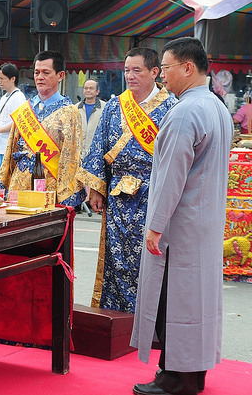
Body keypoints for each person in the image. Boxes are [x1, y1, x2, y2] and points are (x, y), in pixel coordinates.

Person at [130, 37, 233, 395]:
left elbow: (172, 176)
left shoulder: (185, 110)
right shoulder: (217, 107)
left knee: (174, 302)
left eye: (167, 69)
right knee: (197, 302)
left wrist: (156, 226)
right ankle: (192, 375)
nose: (163, 79)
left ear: (187, 68)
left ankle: (175, 378)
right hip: (204, 222)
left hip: (181, 224)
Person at [76, 48, 176, 313]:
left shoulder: (172, 107)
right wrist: (97, 189)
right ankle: (117, 319)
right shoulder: (114, 105)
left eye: (137, 70)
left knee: (152, 260)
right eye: (126, 70)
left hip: (154, 195)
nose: (130, 76)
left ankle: (152, 324)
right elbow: (99, 147)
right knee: (116, 259)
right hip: (119, 199)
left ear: (155, 72)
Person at [0, 50, 85, 207]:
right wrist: (3, 184)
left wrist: (65, 196)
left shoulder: (69, 112)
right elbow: (11, 148)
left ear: (60, 75)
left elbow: (71, 156)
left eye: (46, 72)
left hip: (48, 187)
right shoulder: (25, 109)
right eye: (37, 72)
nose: (39, 77)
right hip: (19, 184)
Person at [0, 63, 26, 188]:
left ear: (13, 79)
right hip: (0, 146)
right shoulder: (4, 97)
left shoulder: (19, 97)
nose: (0, 82)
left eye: (2, 78)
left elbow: (17, 123)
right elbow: (4, 120)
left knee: (2, 183)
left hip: (9, 147)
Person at [76, 79, 106, 157]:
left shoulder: (105, 108)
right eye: (86, 88)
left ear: (97, 92)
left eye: (91, 88)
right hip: (78, 154)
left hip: (97, 155)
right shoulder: (75, 108)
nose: (88, 90)